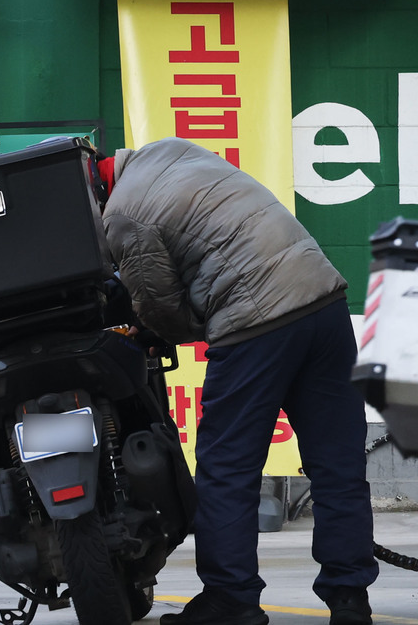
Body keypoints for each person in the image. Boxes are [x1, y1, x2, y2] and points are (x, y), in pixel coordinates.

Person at [95, 137, 378, 625]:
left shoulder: (122, 214)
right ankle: (350, 597)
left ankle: (231, 597)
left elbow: (160, 308)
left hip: (257, 327)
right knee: (338, 464)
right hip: (326, 304)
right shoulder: (175, 151)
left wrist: (155, 332)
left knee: (228, 465)